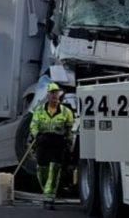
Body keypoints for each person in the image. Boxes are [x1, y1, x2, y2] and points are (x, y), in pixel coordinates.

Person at [30, 82, 74, 210]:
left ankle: (49, 197)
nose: (54, 96)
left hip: (58, 142)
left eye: (56, 93)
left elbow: (69, 129)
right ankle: (46, 191)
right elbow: (33, 124)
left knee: (54, 170)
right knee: (42, 169)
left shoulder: (66, 112)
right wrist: (37, 135)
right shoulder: (39, 110)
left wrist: (69, 143)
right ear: (48, 95)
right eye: (52, 93)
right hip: (43, 142)